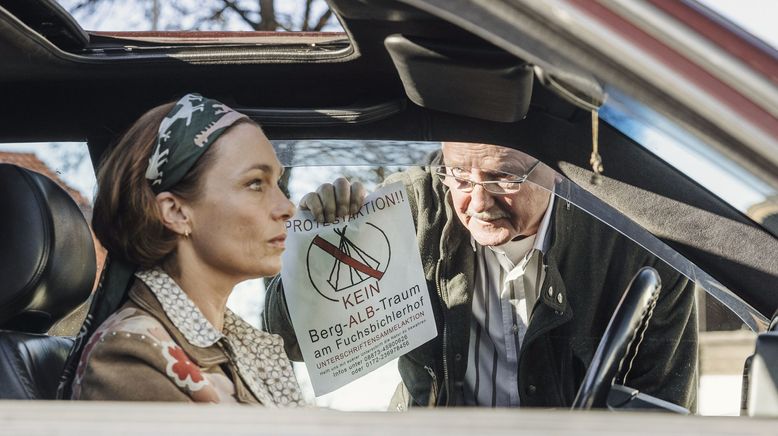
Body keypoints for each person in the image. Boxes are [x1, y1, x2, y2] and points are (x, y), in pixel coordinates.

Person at [263, 142, 697, 410]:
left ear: (555, 169)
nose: (477, 201)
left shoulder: (638, 246)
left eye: (503, 177)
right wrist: (320, 247)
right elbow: (291, 343)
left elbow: (662, 406)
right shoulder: (409, 213)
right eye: (458, 176)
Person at [71, 93, 305, 405]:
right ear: (176, 212)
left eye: (277, 182)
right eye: (255, 183)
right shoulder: (132, 356)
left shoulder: (239, 344)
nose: (286, 207)